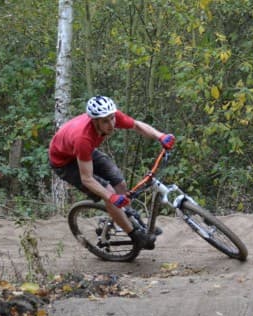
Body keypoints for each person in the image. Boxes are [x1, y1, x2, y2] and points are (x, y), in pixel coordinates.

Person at [49, 95, 176, 250]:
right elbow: (87, 179)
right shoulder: (83, 138)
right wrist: (111, 197)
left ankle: (128, 219)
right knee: (109, 193)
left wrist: (160, 136)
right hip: (64, 162)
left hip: (83, 152)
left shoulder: (111, 116)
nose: (111, 124)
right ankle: (135, 235)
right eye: (105, 121)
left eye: (112, 118)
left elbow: (137, 126)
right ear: (95, 121)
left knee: (120, 183)